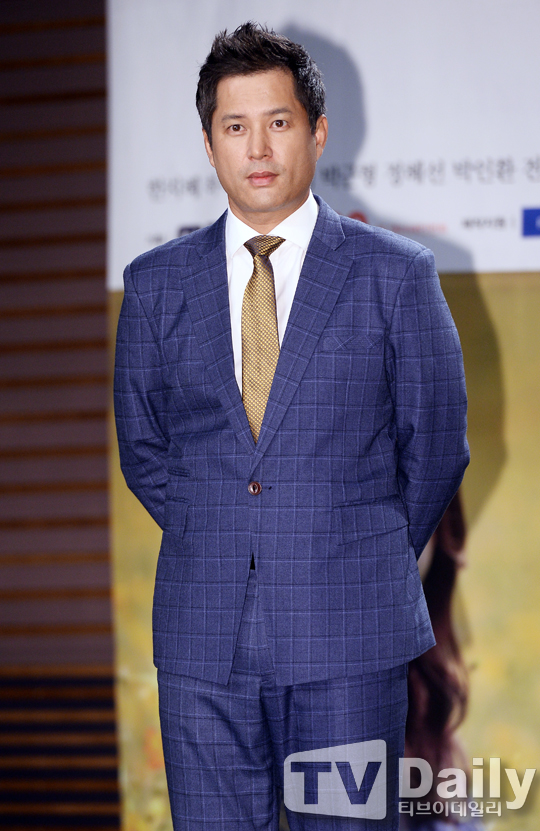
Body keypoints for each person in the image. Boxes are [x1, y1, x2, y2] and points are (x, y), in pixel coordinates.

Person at [114, 22, 469, 831]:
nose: (258, 148)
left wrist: (361, 544)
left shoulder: (396, 275)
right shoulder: (155, 286)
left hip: (349, 633)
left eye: (278, 122)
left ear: (318, 131)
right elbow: (145, 449)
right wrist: (227, 533)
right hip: (203, 640)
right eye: (234, 126)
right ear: (209, 144)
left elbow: (437, 448)